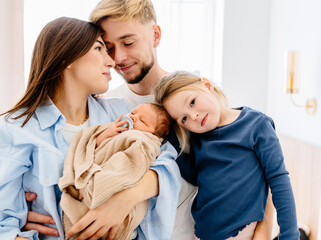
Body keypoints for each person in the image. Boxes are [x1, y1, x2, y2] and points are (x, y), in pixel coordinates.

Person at [87, 1, 276, 239]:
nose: (119, 58)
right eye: (109, 47)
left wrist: (266, 226)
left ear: (155, 35)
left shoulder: (196, 99)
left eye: (128, 42)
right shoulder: (106, 107)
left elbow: (259, 165)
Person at [0, 17, 181, 240]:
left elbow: (167, 162)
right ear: (67, 57)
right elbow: (5, 227)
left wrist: (128, 197)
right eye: (99, 48)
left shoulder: (121, 112)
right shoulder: (15, 129)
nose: (112, 62)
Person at [154, 71, 300, 240]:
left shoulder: (255, 124)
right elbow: (194, 177)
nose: (193, 116)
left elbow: (279, 179)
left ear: (207, 86)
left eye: (193, 102)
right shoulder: (197, 140)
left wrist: (289, 234)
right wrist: (165, 136)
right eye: (184, 119)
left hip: (239, 233)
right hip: (201, 233)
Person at [59, 103, 172, 240]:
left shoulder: (143, 141)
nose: (133, 118)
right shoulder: (114, 127)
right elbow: (91, 144)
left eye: (142, 121)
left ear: (154, 134)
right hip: (90, 175)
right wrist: (106, 133)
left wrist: (93, 182)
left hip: (107, 187)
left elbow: (126, 165)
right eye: (133, 113)